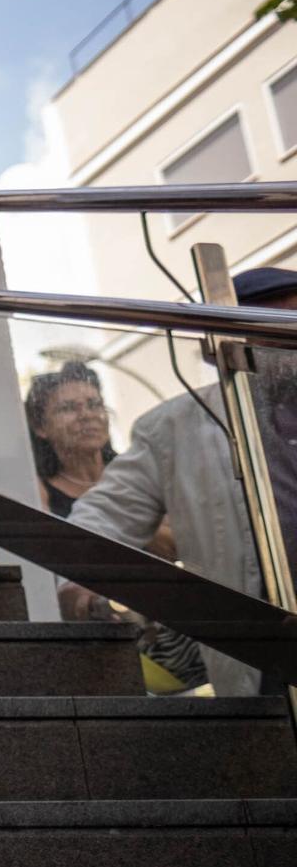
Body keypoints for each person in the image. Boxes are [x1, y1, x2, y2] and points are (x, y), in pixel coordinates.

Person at [63, 267, 297, 696]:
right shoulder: (174, 429)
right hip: (267, 665)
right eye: (270, 326)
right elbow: (94, 528)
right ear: (219, 348)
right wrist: (91, 592)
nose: (288, 341)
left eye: (293, 324)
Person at [26, 361, 118, 517]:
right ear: (40, 428)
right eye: (67, 408)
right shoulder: (37, 491)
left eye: (94, 404)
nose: (87, 415)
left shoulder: (138, 471)